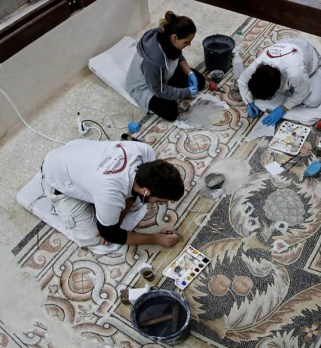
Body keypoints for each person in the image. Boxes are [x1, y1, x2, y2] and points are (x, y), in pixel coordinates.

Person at [41, 139, 185, 254]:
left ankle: (101, 205)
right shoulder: (110, 192)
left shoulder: (145, 151)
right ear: (145, 191)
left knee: (129, 206)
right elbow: (110, 234)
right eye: (159, 201)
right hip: (55, 175)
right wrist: (155, 239)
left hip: (76, 154)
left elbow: (132, 195)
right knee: (93, 237)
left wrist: (117, 219)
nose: (157, 204)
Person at [126, 11, 206, 121]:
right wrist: (185, 92)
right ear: (174, 37)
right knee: (171, 112)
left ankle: (179, 84)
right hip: (147, 87)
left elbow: (178, 53)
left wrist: (189, 72)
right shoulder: (153, 61)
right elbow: (159, 90)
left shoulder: (168, 36)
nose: (189, 45)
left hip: (164, 73)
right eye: (186, 42)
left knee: (200, 81)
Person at [238, 39, 321, 126]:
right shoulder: (256, 67)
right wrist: (248, 102)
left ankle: (318, 69)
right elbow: (242, 81)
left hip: (310, 56)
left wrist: (284, 108)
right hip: (284, 43)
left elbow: (303, 92)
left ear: (278, 87)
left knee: (313, 101)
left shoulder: (295, 73)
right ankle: (294, 87)